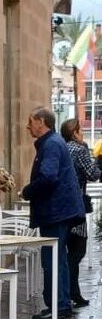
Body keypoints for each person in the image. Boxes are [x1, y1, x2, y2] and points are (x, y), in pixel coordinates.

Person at [21, 107, 85, 319]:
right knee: (59, 260)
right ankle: (62, 304)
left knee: (52, 261)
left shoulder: (51, 145)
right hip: (59, 211)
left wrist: (28, 191)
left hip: (56, 212)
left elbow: (48, 177)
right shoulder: (53, 142)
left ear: (41, 121)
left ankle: (58, 306)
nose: (28, 126)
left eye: (31, 121)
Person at [61, 118, 100, 307]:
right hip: (76, 207)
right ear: (74, 132)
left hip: (61, 207)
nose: (83, 133)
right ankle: (71, 291)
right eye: (80, 130)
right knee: (78, 250)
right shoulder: (79, 149)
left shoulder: (61, 148)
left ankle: (70, 292)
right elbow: (92, 174)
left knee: (69, 250)